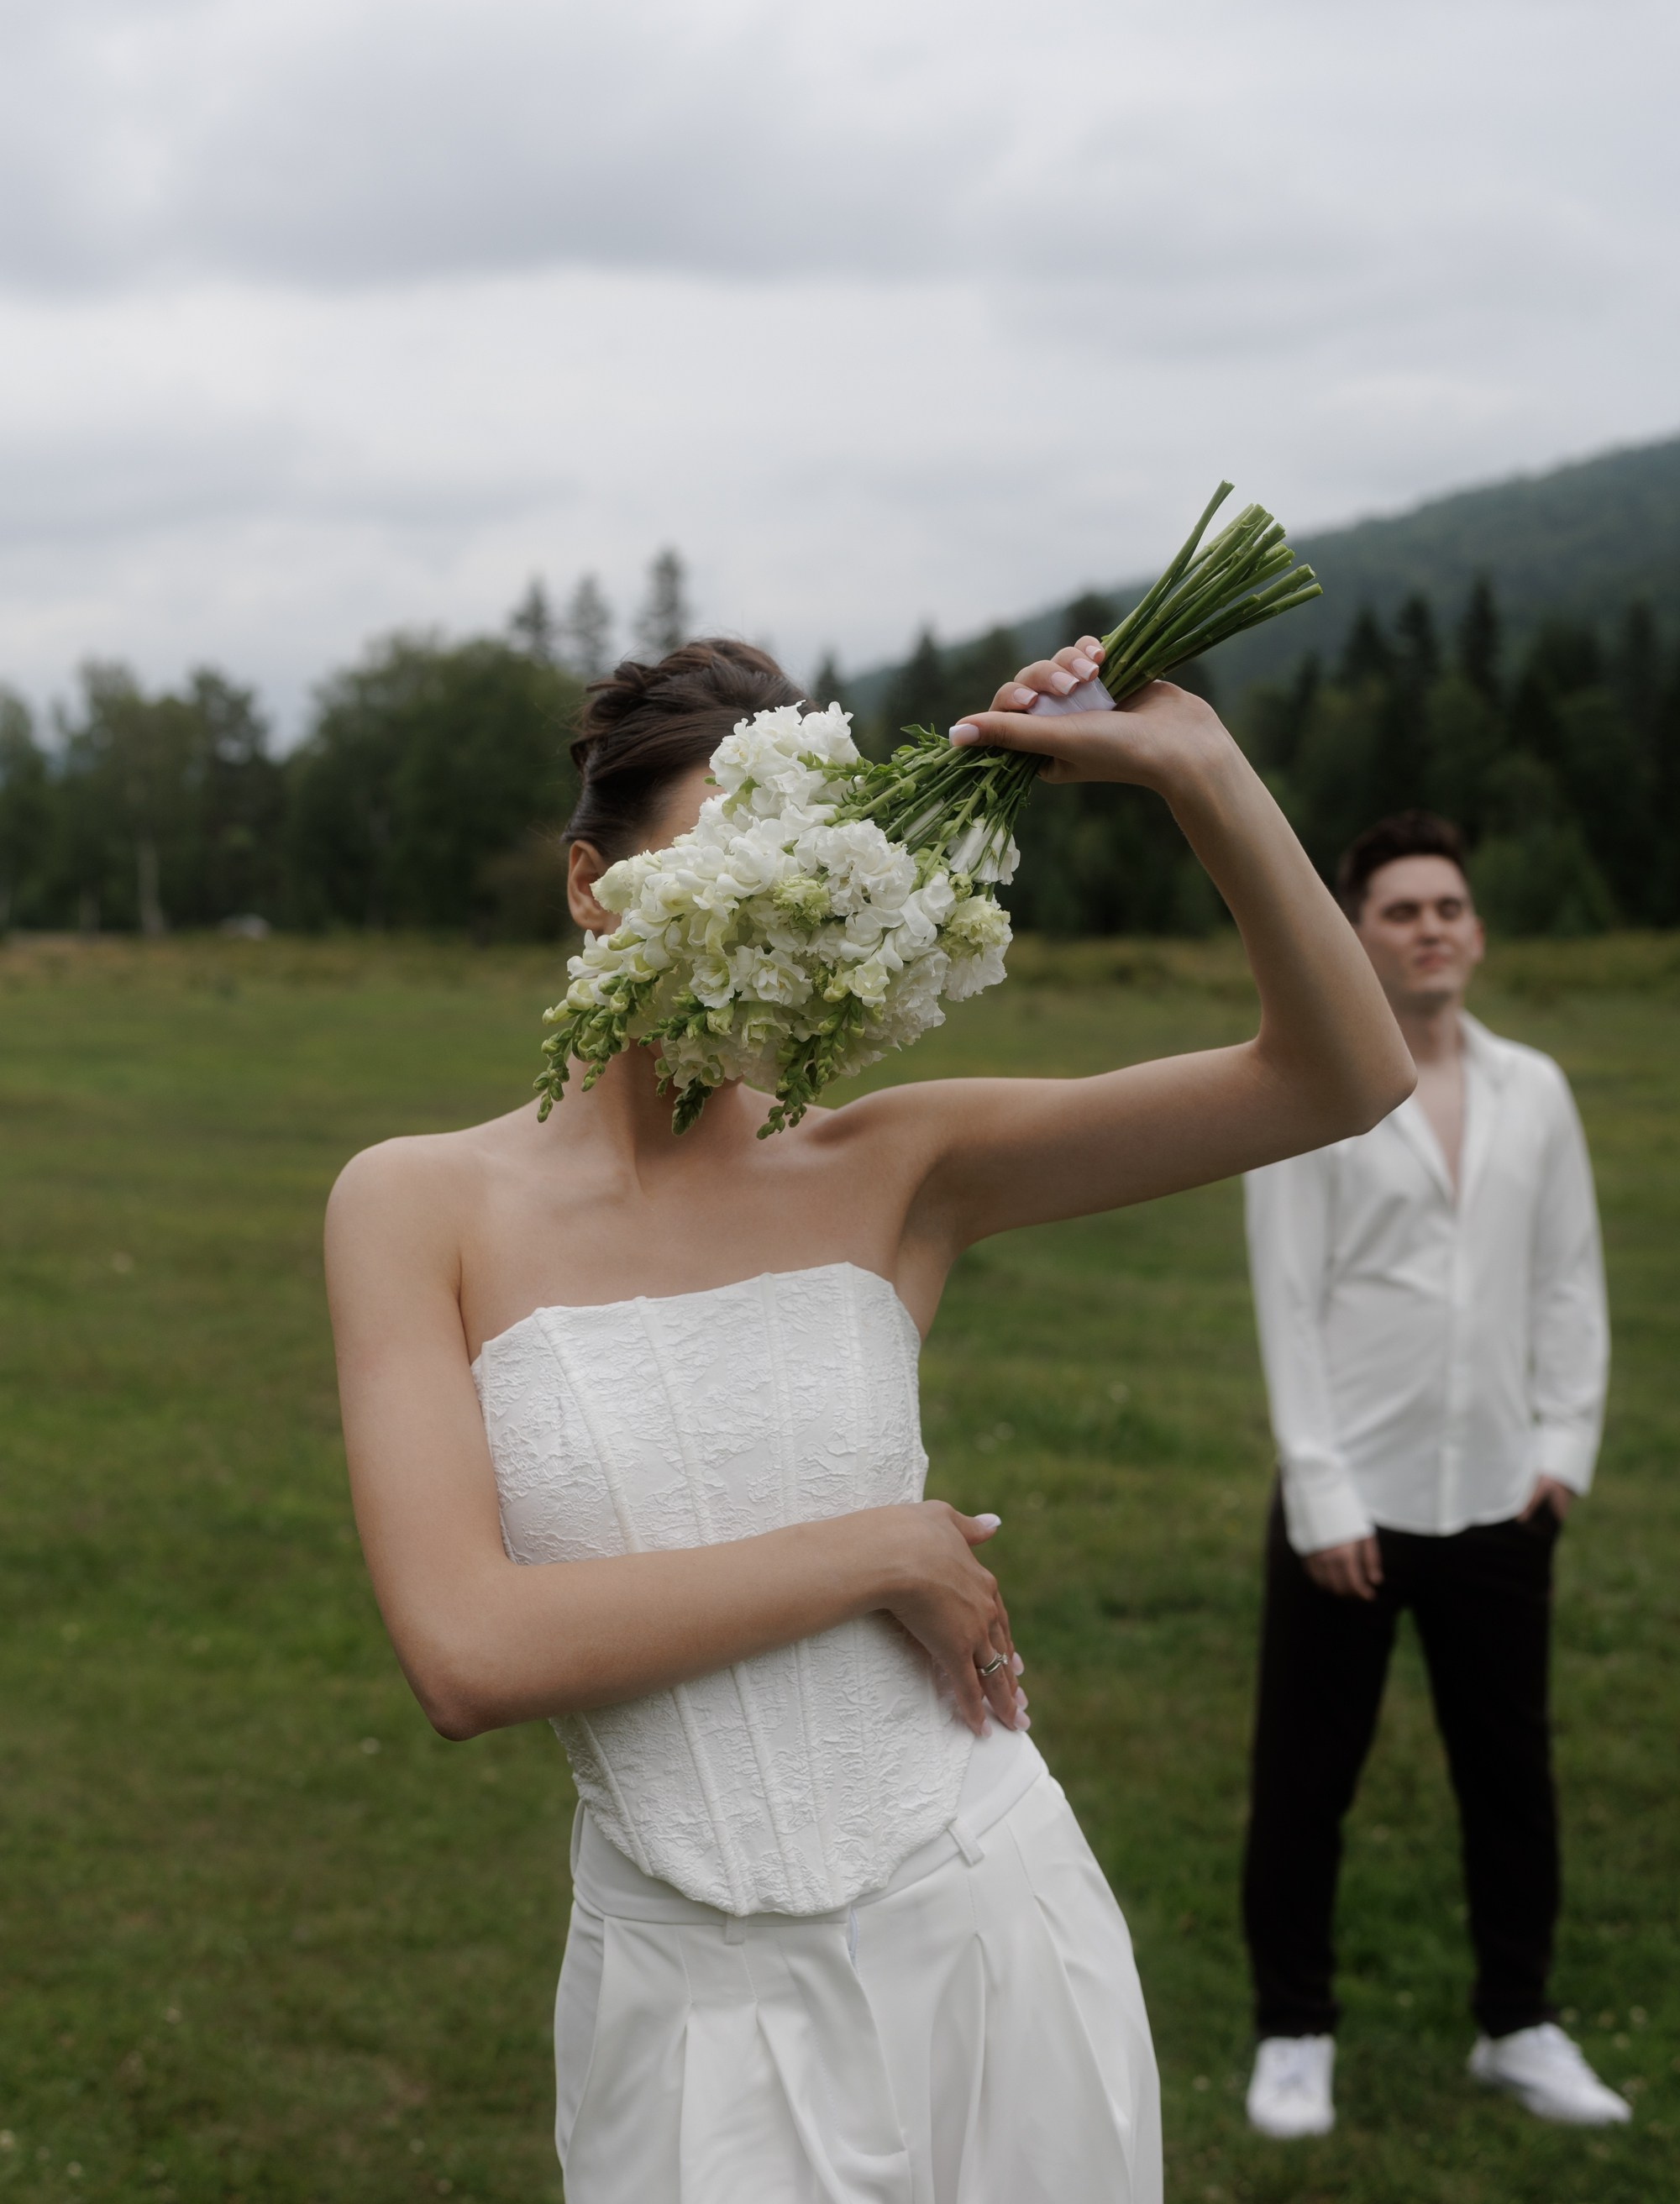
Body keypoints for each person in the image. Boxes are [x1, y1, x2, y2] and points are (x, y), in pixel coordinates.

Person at [326, 634, 1411, 2204]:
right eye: (727, 866)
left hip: (989, 1923)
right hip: (689, 2000)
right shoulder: (414, 1204)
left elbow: (1339, 1075)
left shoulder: (896, 1161)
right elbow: (467, 1654)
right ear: (589, 888)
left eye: (811, 883)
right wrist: (877, 1554)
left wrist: (1200, 771)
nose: (772, 918)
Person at [1240, 807, 1628, 2141]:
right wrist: (1320, 1492)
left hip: (1501, 1498)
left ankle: (1517, 2024)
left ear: (1478, 927)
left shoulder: (1539, 1090)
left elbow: (1569, 1283)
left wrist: (1564, 1450)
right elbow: (1285, 1303)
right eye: (1401, 911)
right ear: (1358, 933)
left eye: (1448, 907)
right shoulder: (1317, 1090)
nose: (1430, 929)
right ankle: (1294, 2032)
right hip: (1351, 1505)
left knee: (1510, 1777)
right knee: (1308, 1780)